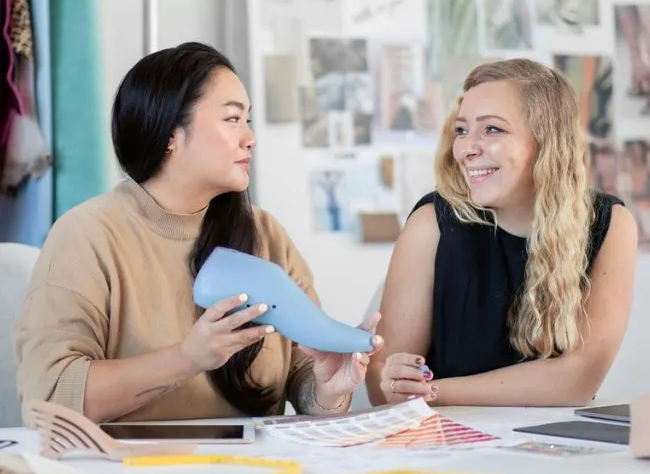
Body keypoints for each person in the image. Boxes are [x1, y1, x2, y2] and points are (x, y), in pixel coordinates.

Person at [13, 42, 382, 424]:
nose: (250, 138)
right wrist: (187, 359)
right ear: (171, 132)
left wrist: (328, 389)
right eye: (232, 119)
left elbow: (303, 379)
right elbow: (51, 396)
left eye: (248, 120)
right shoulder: (86, 236)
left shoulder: (265, 234)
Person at [366, 58, 637, 407]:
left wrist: (433, 391)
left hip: (554, 447)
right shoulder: (431, 223)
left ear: (545, 141)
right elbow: (384, 389)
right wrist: (395, 382)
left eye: (492, 129)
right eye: (462, 130)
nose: (466, 148)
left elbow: (576, 381)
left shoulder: (610, 223)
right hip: (448, 444)